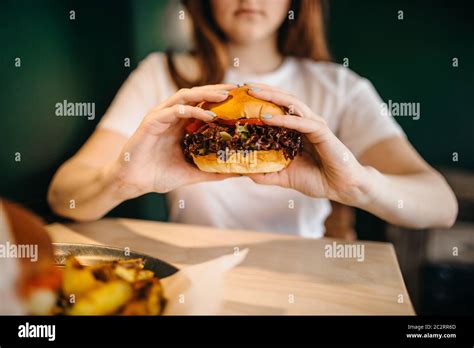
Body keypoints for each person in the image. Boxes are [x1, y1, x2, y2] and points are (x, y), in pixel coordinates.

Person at [48, 0, 457, 238]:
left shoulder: (340, 87)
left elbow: (441, 205)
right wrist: (121, 181)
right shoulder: (162, 75)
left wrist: (358, 186)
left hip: (309, 281)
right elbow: (62, 196)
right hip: (191, 277)